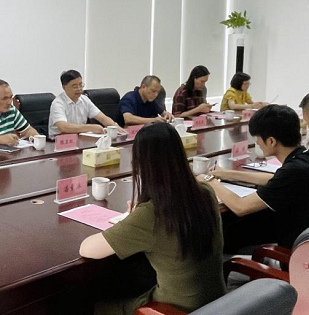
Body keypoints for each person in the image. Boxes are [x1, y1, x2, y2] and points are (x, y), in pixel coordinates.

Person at [79, 123, 225, 314]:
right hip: (218, 302)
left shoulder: (152, 214)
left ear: (141, 164)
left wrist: (132, 221)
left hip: (174, 309)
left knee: (95, 305)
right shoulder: (205, 192)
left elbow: (87, 249)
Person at [197, 104, 309, 249]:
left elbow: (240, 207)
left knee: (223, 228)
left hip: (306, 251)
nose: (257, 142)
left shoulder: (293, 172)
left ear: (271, 141)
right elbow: (276, 179)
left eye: (257, 138)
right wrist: (227, 174)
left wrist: (209, 181)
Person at [48, 70, 124, 139]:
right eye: (74, 86)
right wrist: (90, 127)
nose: (79, 89)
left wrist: (114, 126)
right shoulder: (58, 103)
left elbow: (102, 118)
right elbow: (63, 127)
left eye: (81, 85)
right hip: (60, 141)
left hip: (80, 138)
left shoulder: (84, 99)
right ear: (64, 87)